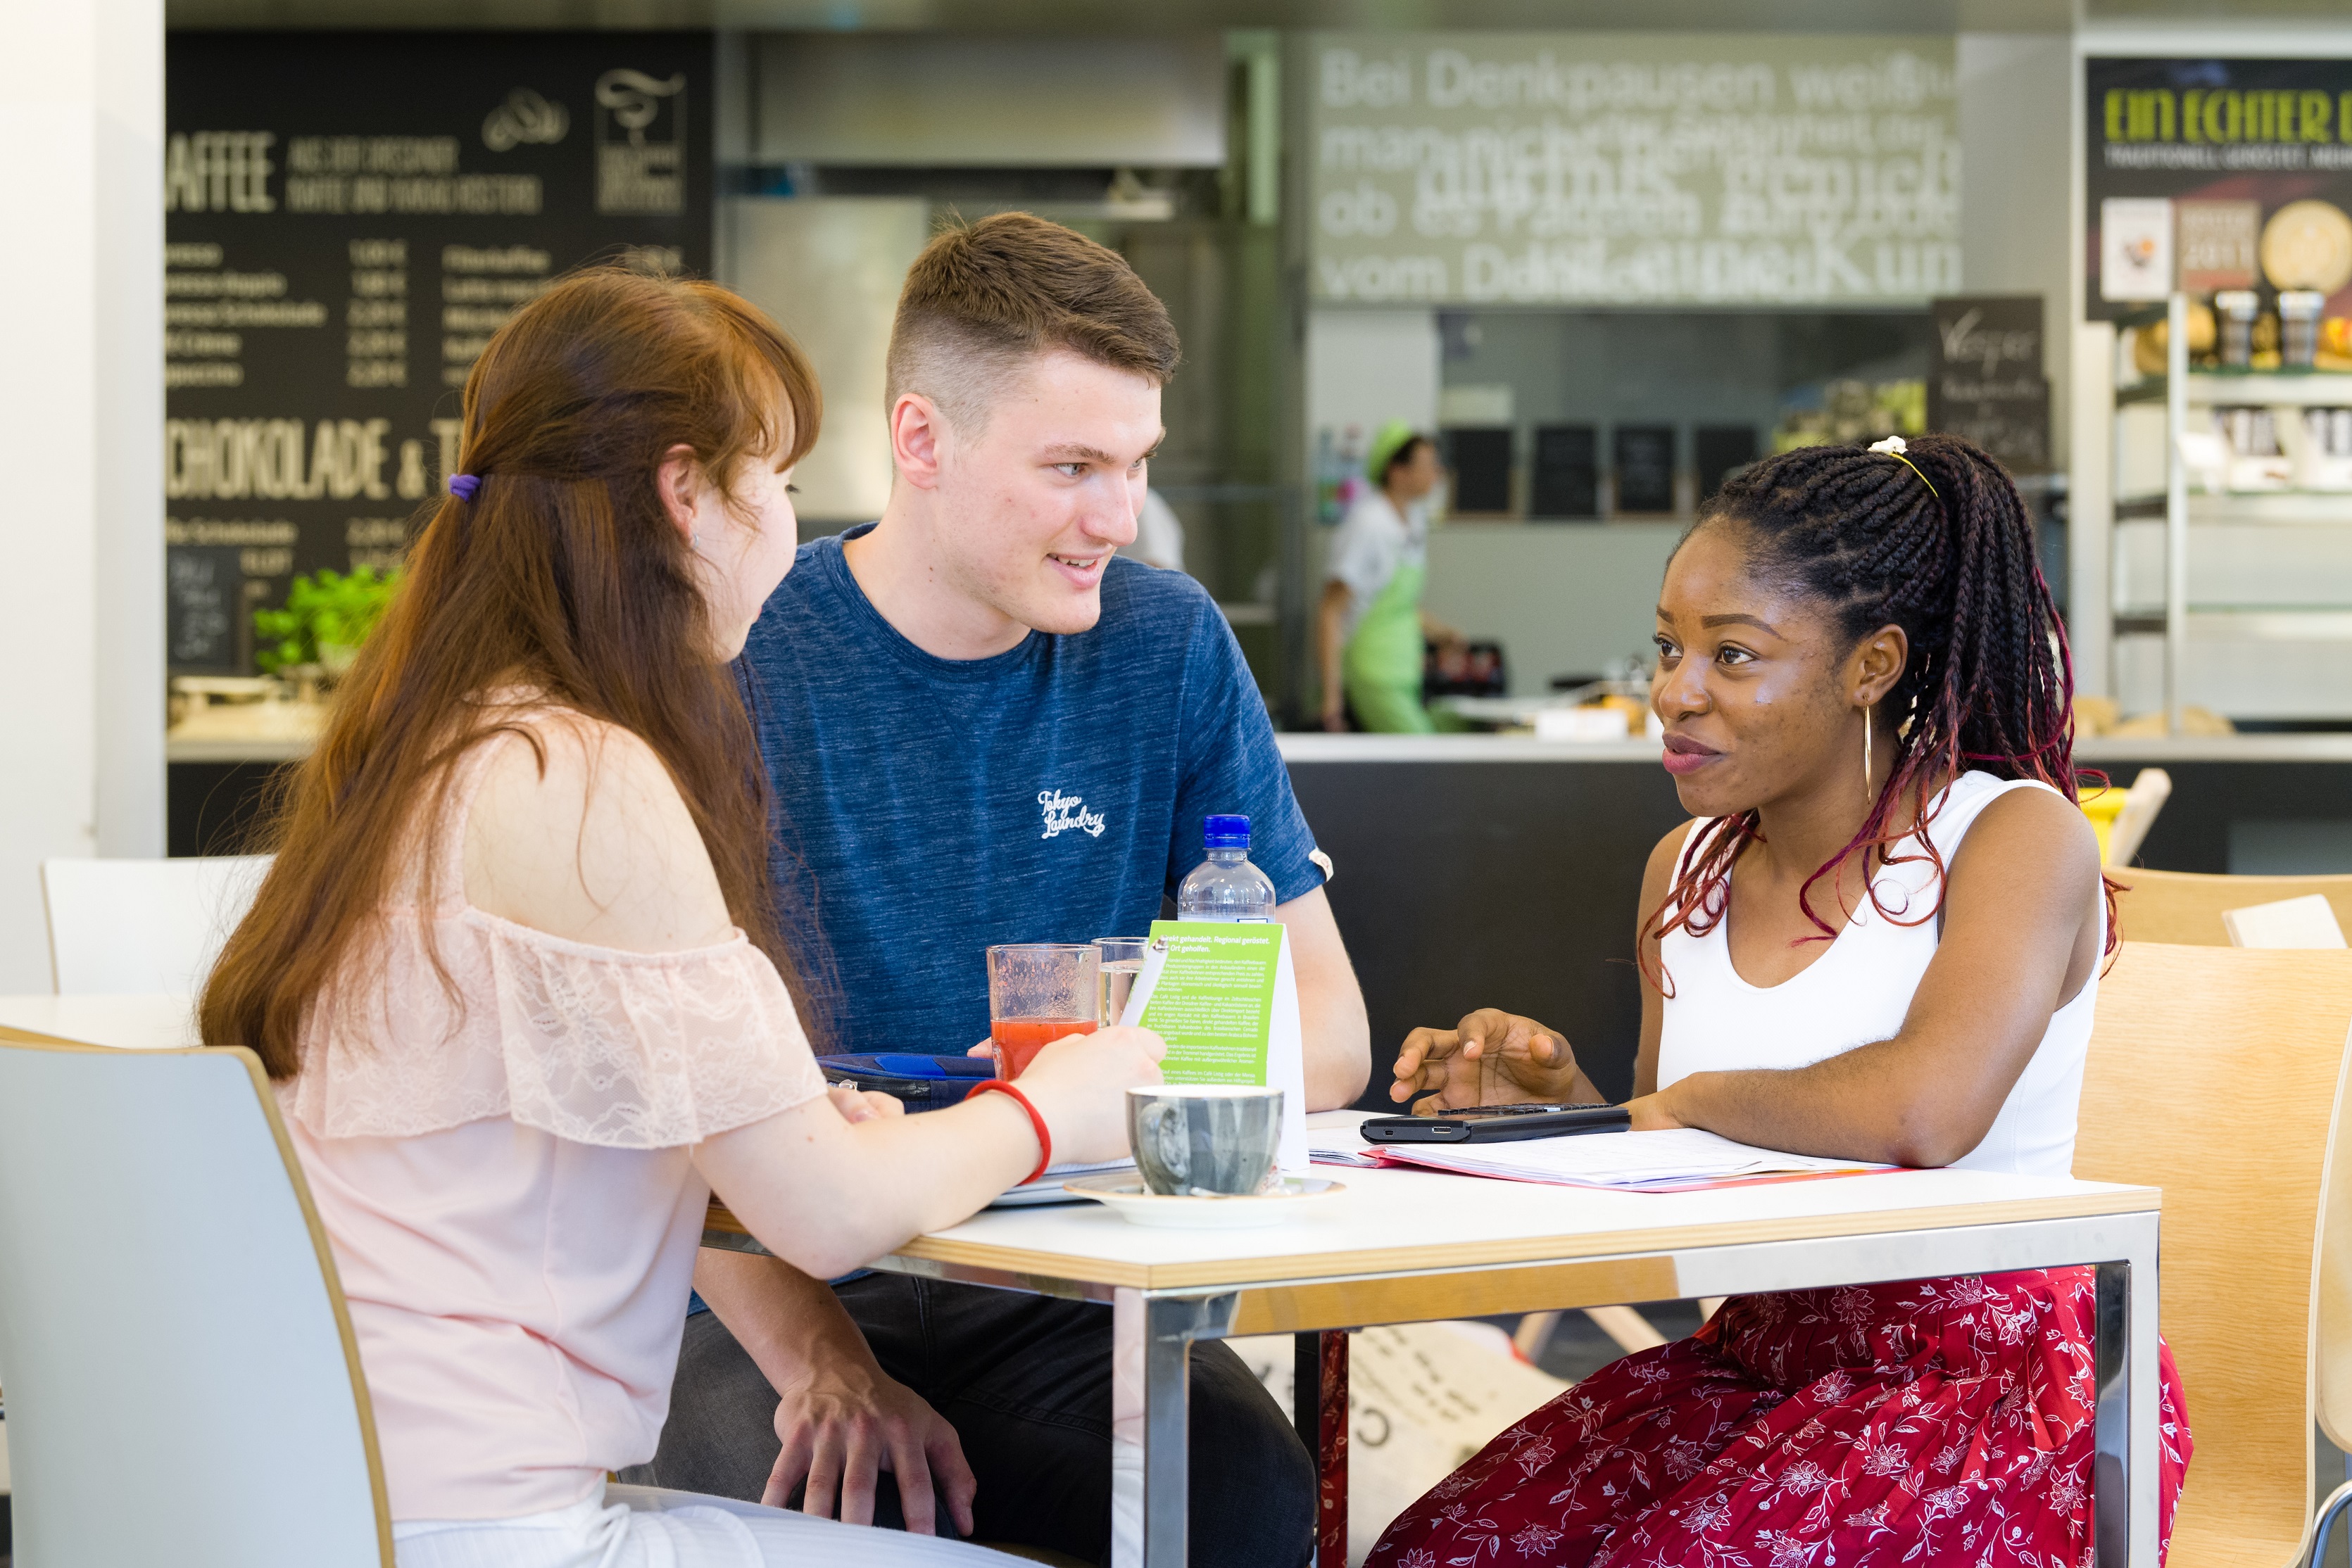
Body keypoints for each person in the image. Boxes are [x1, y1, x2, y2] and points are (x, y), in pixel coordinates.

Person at [198, 265, 1164, 1567]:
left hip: (321, 1504)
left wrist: (787, 1116)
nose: (787, 521)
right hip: (496, 1530)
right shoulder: (583, 778)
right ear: (683, 493)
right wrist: (1065, 1101)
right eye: (773, 479)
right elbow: (824, 1217)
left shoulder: (427, 748)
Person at [646, 213, 1366, 1567]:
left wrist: (1110, 1069)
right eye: (1072, 467)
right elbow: (656, 1108)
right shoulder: (739, 648)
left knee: (1238, 1494)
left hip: (1070, 1297)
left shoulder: (1166, 641)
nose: (1119, 516)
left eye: (1135, 464)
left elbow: (1325, 1034)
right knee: (799, 1498)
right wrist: (822, 1359)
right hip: (775, 1280)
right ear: (920, 440)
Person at [1371, 434, 2192, 1567]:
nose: (1674, 692)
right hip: (1757, 1356)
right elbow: (1681, 1168)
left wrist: (1684, 1106)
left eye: (1734, 656)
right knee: (1440, 1549)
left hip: (1980, 1387)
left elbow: (1927, 1112)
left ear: (1872, 667)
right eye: (1666, 647)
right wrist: (1567, 1106)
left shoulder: (2008, 837)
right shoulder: (1685, 869)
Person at [1319, 422, 1461, 733]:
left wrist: (1442, 632)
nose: (1436, 474)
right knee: (1424, 763)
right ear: (1397, 471)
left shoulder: (1413, 521)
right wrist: (1332, 697)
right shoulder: (1368, 524)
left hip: (1404, 671)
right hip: (1374, 672)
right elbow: (1331, 610)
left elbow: (1398, 604)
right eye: (1427, 466)